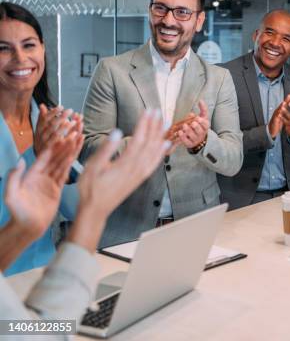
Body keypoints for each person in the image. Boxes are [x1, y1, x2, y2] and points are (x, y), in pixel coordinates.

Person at [81, 0, 242, 247]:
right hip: (125, 227)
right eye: (161, 9)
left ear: (199, 20)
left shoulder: (219, 79)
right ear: (150, 11)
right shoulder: (112, 71)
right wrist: (152, 143)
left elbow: (233, 160)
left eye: (182, 12)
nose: (168, 20)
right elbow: (89, 150)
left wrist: (203, 142)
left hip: (196, 228)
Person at [1, 111, 169, 331]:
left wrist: (22, 228)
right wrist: (93, 213)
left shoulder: (47, 115)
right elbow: (45, 332)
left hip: (43, 276)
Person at [0, 2, 83, 275]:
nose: (21, 58)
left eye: (29, 45)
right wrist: (39, 157)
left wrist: (64, 163)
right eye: (3, 48)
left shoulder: (50, 121)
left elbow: (77, 210)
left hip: (43, 277)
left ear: (43, 49)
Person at [219, 9, 290, 209]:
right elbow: (217, 145)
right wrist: (267, 132)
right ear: (255, 35)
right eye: (269, 32)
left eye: (286, 38)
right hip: (237, 200)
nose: (275, 43)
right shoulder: (223, 75)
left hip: (287, 199)